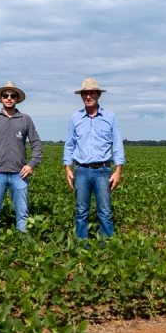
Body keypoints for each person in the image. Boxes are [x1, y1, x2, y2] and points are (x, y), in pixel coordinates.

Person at [0, 81, 43, 232]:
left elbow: (37, 144)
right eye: (6, 95)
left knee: (23, 215)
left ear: (17, 98)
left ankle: (23, 246)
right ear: (1, 98)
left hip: (20, 174)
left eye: (13, 95)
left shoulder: (25, 119)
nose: (9, 98)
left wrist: (31, 165)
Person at [63, 78, 125, 240]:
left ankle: (107, 248)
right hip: (81, 170)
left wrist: (118, 171)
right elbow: (70, 145)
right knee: (81, 211)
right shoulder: (75, 118)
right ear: (81, 96)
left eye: (91, 93)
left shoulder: (110, 117)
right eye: (85, 93)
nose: (88, 96)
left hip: (103, 171)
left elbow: (117, 145)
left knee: (105, 212)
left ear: (98, 95)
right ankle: (82, 248)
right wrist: (67, 168)